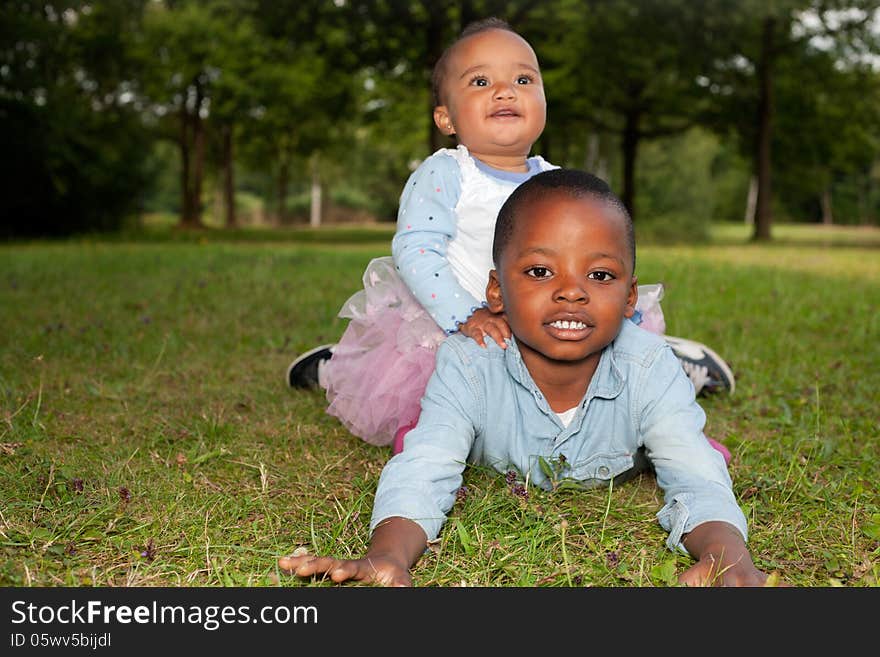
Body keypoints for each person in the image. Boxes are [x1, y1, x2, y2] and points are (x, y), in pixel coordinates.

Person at [278, 168, 772, 587]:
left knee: (693, 454)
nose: (571, 292)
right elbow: (425, 469)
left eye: (599, 275)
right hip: (483, 426)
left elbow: (694, 479)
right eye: (540, 272)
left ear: (629, 297)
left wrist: (726, 551)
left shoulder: (647, 366)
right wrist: (388, 553)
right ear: (496, 290)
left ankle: (682, 422)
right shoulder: (469, 363)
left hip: (626, 445)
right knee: (420, 441)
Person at [286, 18, 735, 458]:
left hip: (550, 322)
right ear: (445, 117)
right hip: (468, 328)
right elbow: (416, 249)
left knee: (619, 368)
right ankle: (363, 387)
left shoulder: (559, 185)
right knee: (451, 391)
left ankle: (675, 432)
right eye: (480, 82)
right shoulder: (446, 174)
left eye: (523, 78)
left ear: (542, 100)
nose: (505, 90)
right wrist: (467, 315)